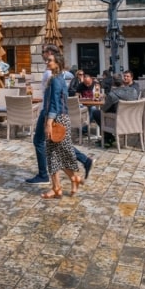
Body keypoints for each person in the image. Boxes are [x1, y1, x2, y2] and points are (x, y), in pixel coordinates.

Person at [27, 45, 93, 185]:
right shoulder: (63, 75)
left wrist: (48, 121)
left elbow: (55, 101)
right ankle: (75, 173)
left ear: (52, 55)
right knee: (58, 146)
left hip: (51, 113)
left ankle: (46, 176)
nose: (44, 58)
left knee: (46, 144)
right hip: (55, 113)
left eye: (46, 55)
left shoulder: (53, 77)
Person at [40, 50, 83, 199]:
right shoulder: (57, 78)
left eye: (49, 60)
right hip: (59, 118)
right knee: (53, 154)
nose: (47, 62)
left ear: (57, 63)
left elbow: (55, 104)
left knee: (58, 153)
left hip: (57, 119)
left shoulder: (56, 80)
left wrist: (49, 122)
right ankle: (58, 186)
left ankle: (71, 179)